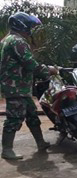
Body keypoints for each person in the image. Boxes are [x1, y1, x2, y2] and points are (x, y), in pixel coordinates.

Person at [1, 12, 57, 160]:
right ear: (21, 25)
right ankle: (7, 150)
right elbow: (29, 63)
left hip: (19, 86)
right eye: (30, 26)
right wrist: (48, 71)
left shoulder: (7, 40)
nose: (31, 29)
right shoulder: (17, 41)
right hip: (16, 86)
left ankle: (40, 142)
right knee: (14, 118)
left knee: (32, 114)